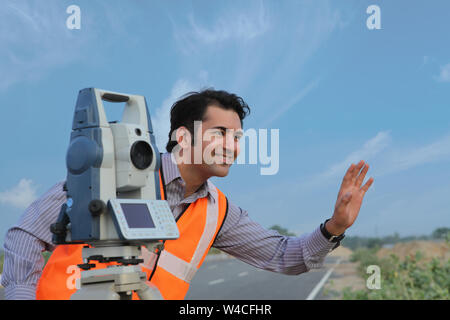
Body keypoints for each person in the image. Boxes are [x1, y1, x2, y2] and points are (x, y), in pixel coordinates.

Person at [1, 89, 374, 300]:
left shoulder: (219, 211)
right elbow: (25, 234)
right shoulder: (112, 172)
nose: (233, 146)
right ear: (183, 136)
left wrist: (333, 227)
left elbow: (284, 256)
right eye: (221, 134)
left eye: (238, 137)